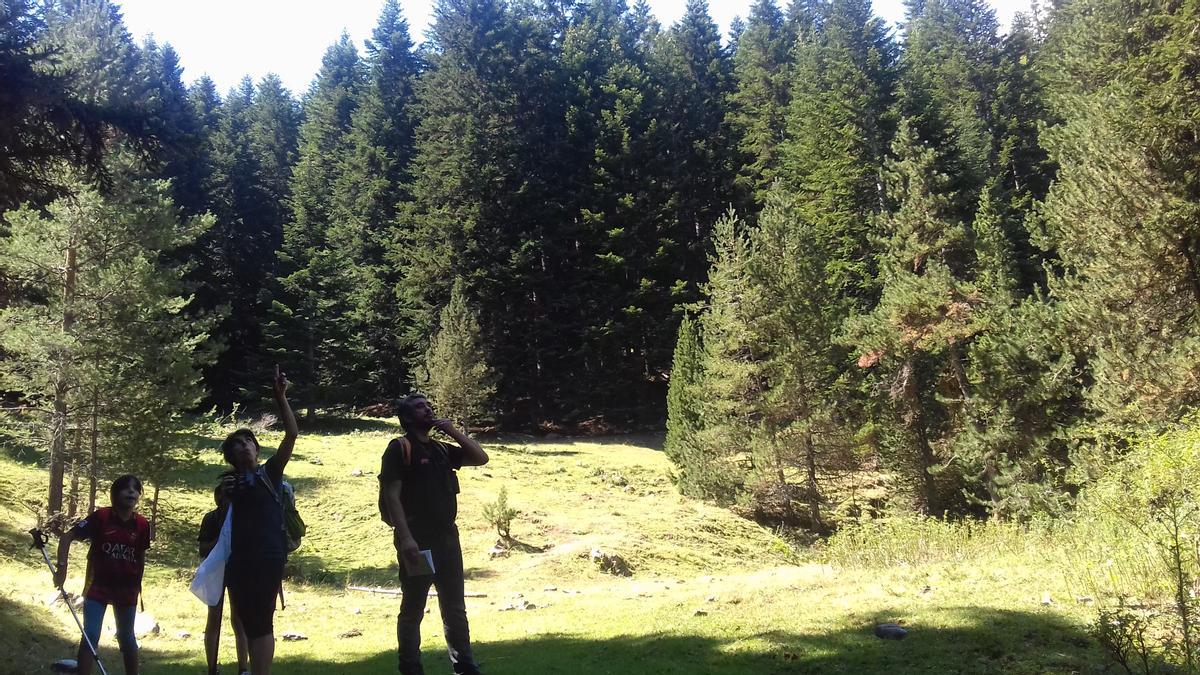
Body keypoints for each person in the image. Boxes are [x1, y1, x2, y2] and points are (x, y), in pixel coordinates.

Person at [380, 393, 489, 675]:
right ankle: (410, 668)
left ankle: (465, 666)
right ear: (406, 417)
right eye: (420, 407)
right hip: (417, 540)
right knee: (414, 607)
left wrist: (452, 430)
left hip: (448, 540)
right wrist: (405, 539)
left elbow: (480, 457)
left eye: (429, 406)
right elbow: (392, 496)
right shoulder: (399, 448)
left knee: (454, 606)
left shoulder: (441, 449)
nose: (427, 410)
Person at [218, 366, 298, 675]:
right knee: (246, 619)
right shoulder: (227, 483)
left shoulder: (271, 473)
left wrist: (281, 398)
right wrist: (225, 497)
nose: (243, 446)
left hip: (268, 555)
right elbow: (223, 516)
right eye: (236, 444)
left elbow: (291, 434)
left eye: (247, 441)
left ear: (256, 447)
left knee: (262, 619)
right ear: (231, 456)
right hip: (239, 558)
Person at [54, 474, 152, 675]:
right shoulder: (101, 517)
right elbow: (67, 537)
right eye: (126, 488)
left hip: (127, 589)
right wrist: (61, 568)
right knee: (90, 634)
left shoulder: (142, 524)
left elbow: (140, 555)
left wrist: (137, 584)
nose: (132, 492)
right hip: (98, 586)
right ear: (115, 494)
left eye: (136, 489)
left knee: (127, 638)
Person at [198, 485, 249, 675]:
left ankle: (243, 668)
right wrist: (221, 541)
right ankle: (212, 667)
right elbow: (203, 548)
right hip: (216, 571)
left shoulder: (242, 519)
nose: (225, 500)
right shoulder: (211, 518)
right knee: (214, 618)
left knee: (239, 619)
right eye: (222, 496)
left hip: (238, 571)